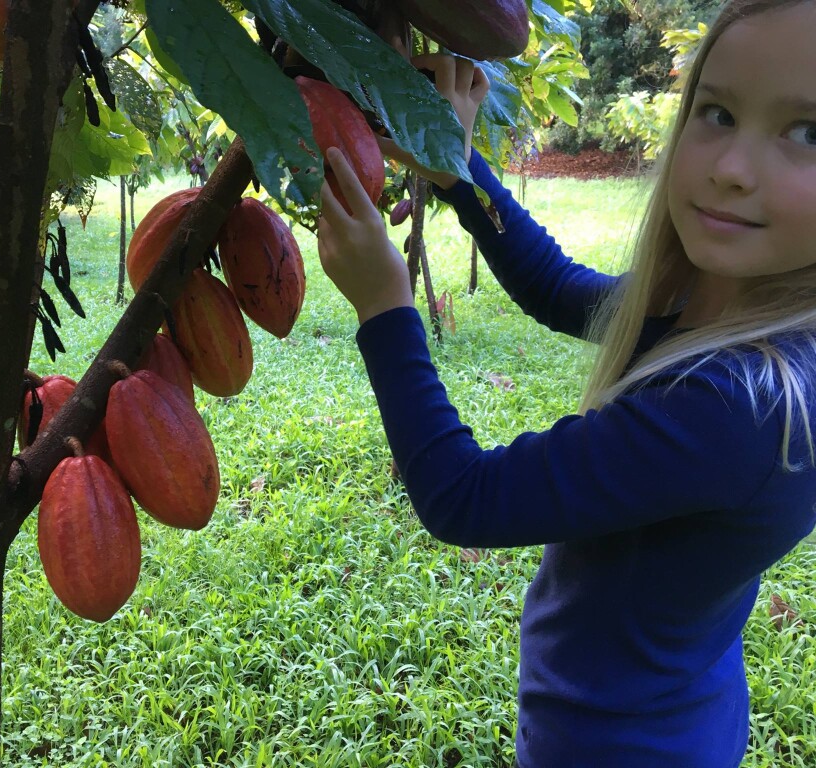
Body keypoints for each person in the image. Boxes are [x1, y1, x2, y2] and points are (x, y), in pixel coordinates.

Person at [315, 0, 816, 766]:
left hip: (611, 742)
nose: (731, 169)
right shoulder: (716, 305)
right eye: (716, 113)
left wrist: (384, 306)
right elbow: (557, 288)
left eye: (807, 133)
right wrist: (461, 171)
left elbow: (463, 495)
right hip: (675, 697)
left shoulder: (738, 410)